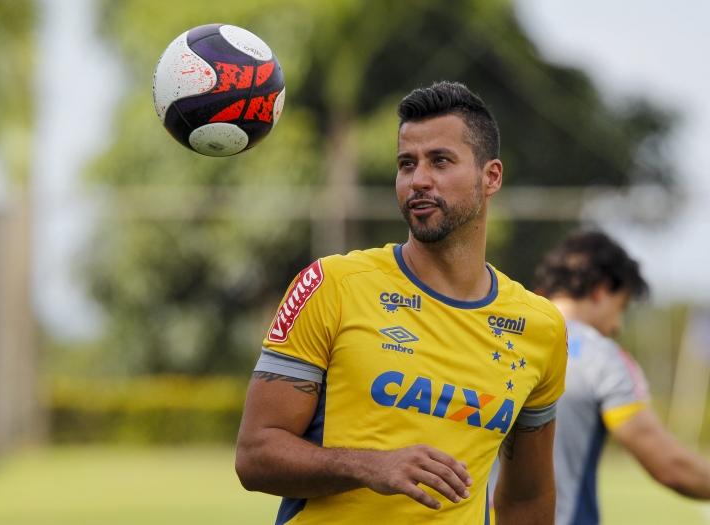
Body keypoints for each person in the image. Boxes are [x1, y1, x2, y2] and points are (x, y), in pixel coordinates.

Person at [235, 81, 568, 524]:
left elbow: (527, 497)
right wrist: (369, 466)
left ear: (491, 177)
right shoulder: (333, 284)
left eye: (441, 161)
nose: (419, 180)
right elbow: (256, 454)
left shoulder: (539, 326)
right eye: (406, 163)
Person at [534, 231, 710, 524]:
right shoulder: (601, 358)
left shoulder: (500, 340)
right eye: (621, 307)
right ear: (601, 291)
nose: (618, 325)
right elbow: (671, 467)